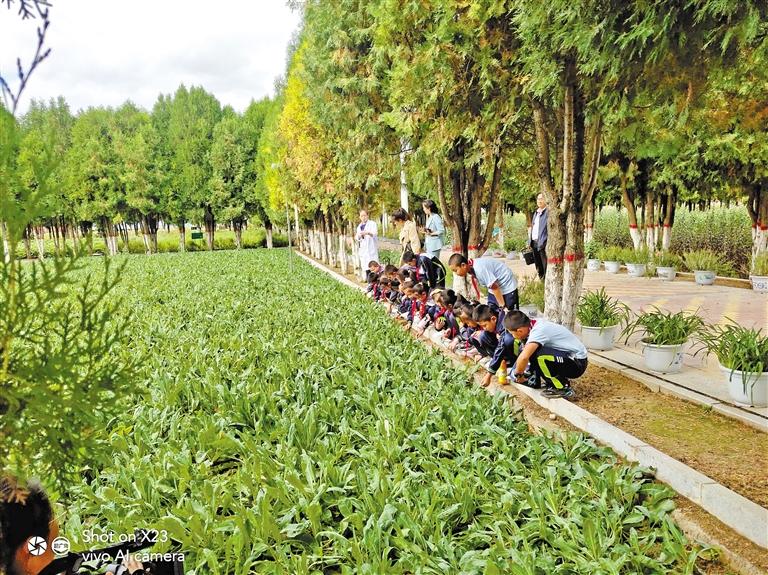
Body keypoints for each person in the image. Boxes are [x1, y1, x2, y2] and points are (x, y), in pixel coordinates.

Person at [505, 311, 588, 400]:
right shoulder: (533, 325)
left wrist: (519, 376)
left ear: (520, 331)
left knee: (541, 356)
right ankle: (545, 382)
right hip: (566, 358)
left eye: (512, 334)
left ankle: (562, 388)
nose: (513, 336)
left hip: (577, 363)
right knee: (532, 350)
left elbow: (524, 357)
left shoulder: (539, 330)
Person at [448, 254, 519, 313]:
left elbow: (495, 287)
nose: (456, 273)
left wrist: (502, 306)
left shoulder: (479, 269)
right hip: (494, 287)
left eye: (455, 270)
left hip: (506, 285)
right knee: (492, 311)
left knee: (508, 314)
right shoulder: (470, 267)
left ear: (463, 265)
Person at [355, 210, 379, 281]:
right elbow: (357, 237)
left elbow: (375, 234)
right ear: (359, 217)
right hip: (364, 251)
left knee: (374, 268)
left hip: (371, 249)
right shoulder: (359, 227)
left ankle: (375, 283)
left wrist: (367, 233)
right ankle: (369, 283)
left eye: (364, 215)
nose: (363, 217)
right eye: (361, 216)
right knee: (367, 268)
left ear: (367, 216)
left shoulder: (372, 224)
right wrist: (359, 236)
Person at [530, 193, 548, 279]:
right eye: (538, 199)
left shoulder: (547, 212)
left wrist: (545, 241)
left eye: (541, 199)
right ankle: (541, 281)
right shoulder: (536, 213)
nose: (539, 201)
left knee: (545, 265)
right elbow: (533, 228)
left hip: (543, 243)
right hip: (534, 243)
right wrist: (530, 241)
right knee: (538, 265)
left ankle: (546, 282)